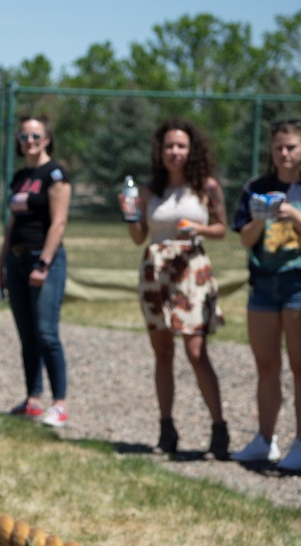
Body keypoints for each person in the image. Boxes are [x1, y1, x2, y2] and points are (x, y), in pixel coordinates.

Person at [118, 118, 229, 458]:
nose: (175, 152)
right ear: (160, 151)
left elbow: (222, 229)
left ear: (191, 149)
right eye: (169, 146)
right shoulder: (151, 190)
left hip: (190, 271)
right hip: (156, 272)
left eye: (181, 145)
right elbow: (139, 238)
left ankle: (219, 428)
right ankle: (166, 429)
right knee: (163, 352)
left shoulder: (207, 187)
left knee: (196, 351)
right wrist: (130, 214)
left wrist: (197, 227)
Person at [0, 114, 72, 427]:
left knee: (47, 332)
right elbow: (12, 225)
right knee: (27, 335)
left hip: (43, 260)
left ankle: (60, 404)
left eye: (36, 136)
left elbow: (59, 222)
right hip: (17, 259)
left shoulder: (55, 174)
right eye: (24, 137)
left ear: (47, 138)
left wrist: (44, 263)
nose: (30, 142)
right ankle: (33, 400)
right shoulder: (20, 177)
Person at [229, 118, 301, 468]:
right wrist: (261, 217)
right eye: (279, 148)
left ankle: (300, 443)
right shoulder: (256, 187)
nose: (285, 154)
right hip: (262, 285)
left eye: (292, 147)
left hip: (298, 285)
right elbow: (244, 238)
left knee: (300, 367)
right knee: (266, 365)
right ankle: (265, 439)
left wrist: (293, 214)